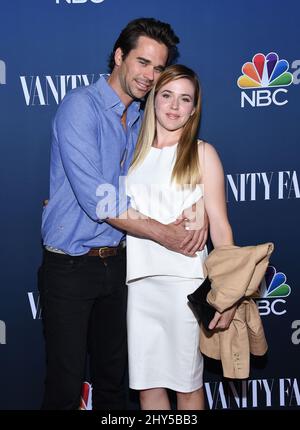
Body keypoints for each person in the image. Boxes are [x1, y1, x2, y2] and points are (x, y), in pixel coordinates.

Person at [39, 18, 207, 410]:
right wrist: (166, 234)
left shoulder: (138, 121)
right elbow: (99, 202)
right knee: (64, 387)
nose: (151, 76)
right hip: (70, 268)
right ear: (119, 57)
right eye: (143, 62)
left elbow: (166, 176)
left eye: (159, 67)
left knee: (113, 384)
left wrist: (199, 202)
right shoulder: (80, 107)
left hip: (118, 269)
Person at [125, 64, 237, 410]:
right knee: (147, 388)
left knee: (187, 386)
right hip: (138, 285)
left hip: (185, 287)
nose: (174, 106)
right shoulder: (130, 152)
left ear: (193, 109)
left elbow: (221, 229)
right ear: (153, 100)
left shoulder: (203, 154)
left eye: (184, 99)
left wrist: (230, 293)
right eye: (167, 95)